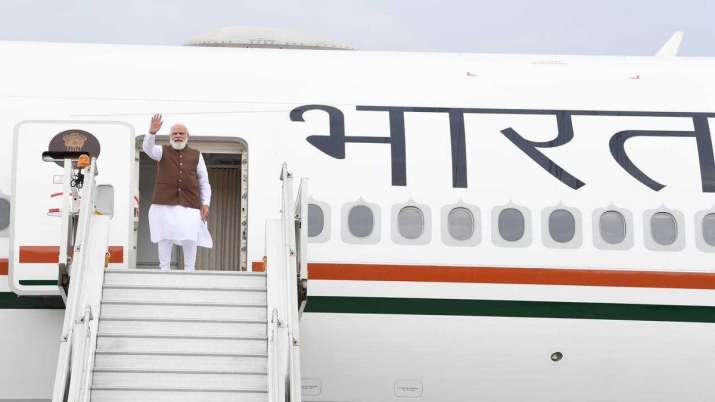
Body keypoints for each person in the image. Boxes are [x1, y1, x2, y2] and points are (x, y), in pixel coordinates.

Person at [143, 113, 212, 271]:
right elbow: (147, 149)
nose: (178, 136)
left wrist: (206, 203)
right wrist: (151, 132)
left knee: (190, 237)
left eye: (181, 133)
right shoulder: (161, 151)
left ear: (188, 136)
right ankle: (164, 271)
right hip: (164, 205)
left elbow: (204, 181)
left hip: (190, 205)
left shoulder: (196, 155)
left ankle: (190, 270)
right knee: (164, 237)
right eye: (175, 133)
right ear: (170, 137)